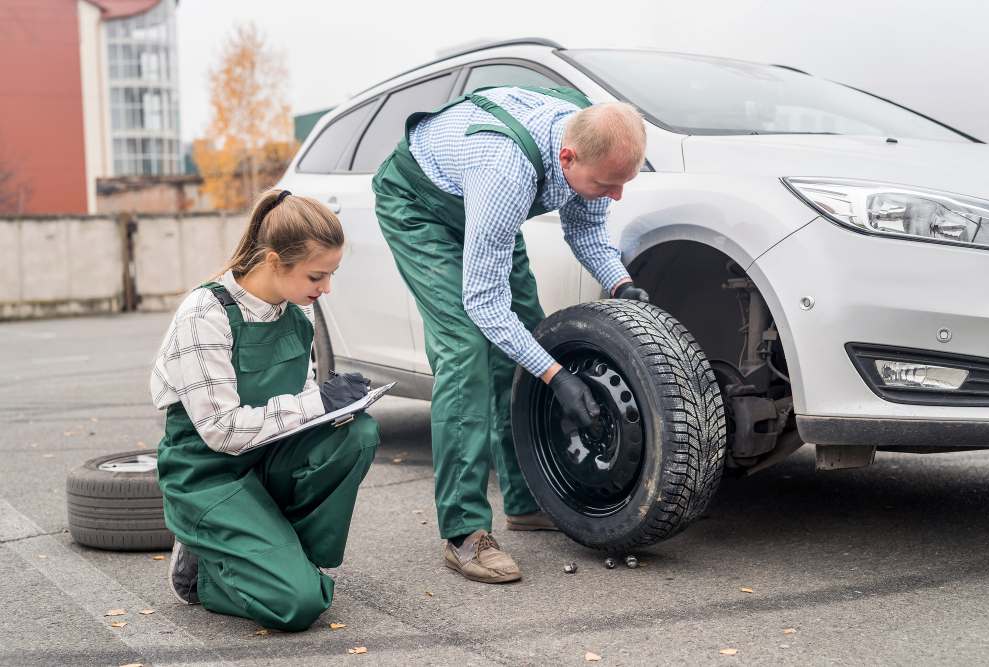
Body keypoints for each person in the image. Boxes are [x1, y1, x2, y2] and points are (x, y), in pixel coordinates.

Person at [372, 86, 650, 584]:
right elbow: (483, 305)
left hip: (479, 206)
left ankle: (527, 500)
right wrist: (556, 376)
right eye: (608, 184)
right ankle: (464, 533)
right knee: (465, 349)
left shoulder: (583, 136)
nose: (617, 195)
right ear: (567, 157)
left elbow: (586, 231)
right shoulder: (505, 170)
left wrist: (622, 283)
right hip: (420, 206)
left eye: (623, 183)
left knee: (526, 330)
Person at [150, 189, 380, 631]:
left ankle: (287, 556)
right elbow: (219, 430)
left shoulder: (298, 313)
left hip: (268, 460)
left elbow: (300, 404)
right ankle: (202, 571)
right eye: (317, 276)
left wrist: (340, 407)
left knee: (357, 434)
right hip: (208, 476)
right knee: (296, 605)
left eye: (331, 275)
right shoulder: (204, 314)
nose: (326, 289)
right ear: (275, 261)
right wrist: (318, 402)